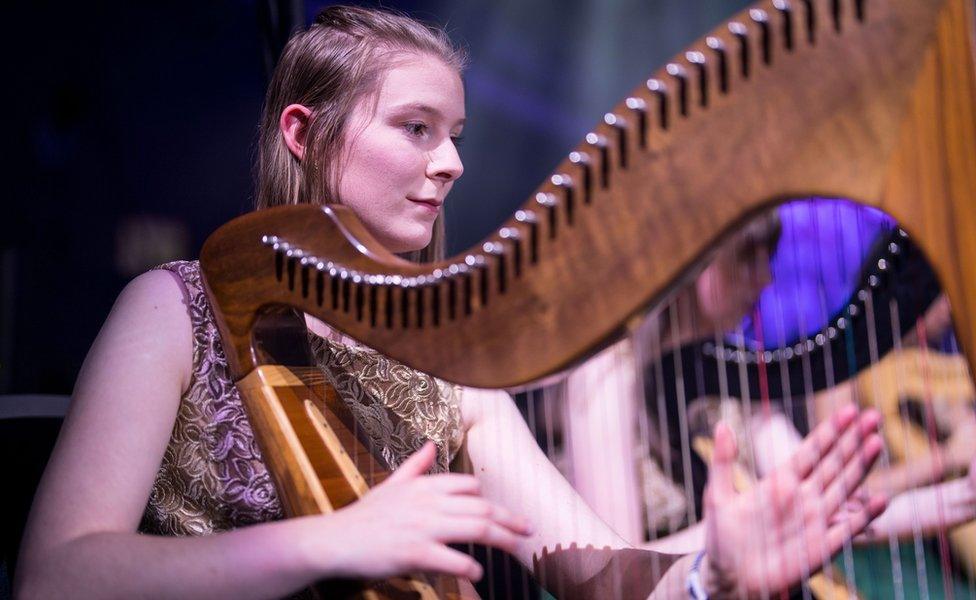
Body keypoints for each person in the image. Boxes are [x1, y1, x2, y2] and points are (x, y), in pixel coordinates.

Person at [15, 6, 887, 599]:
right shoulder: (173, 312)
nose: (452, 164)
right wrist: (328, 542)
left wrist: (714, 573)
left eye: (456, 136)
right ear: (303, 131)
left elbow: (594, 573)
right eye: (416, 127)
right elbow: (54, 575)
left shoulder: (447, 353)